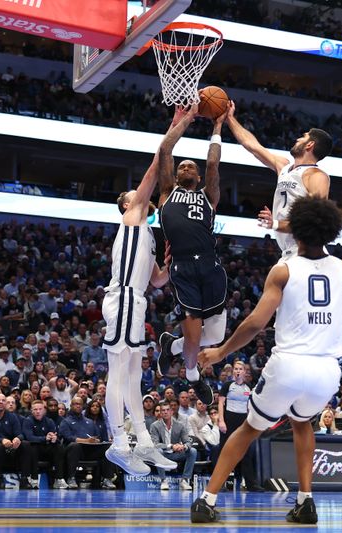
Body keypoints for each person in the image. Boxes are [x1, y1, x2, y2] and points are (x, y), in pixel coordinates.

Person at [191, 196, 342, 524]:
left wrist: (221, 351)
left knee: (248, 429)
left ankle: (207, 499)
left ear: (295, 232)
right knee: (303, 424)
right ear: (331, 232)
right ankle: (305, 501)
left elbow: (256, 323)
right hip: (327, 370)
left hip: (289, 363)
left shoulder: (283, 270)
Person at [101, 106, 191, 478]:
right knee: (119, 373)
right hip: (122, 298)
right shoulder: (133, 215)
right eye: (132, 194)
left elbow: (155, 281)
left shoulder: (148, 235)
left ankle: (144, 441)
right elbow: (155, 170)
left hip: (136, 301)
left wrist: (168, 267)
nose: (137, 194)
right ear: (126, 204)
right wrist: (175, 127)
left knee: (134, 375)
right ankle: (118, 442)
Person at [155, 106, 228, 408]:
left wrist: (218, 127)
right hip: (183, 267)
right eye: (181, 166)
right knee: (196, 340)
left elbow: (213, 164)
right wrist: (187, 118)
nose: (184, 167)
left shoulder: (209, 196)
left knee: (213, 337)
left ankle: (171, 346)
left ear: (198, 177)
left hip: (211, 267)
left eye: (190, 167)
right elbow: (165, 149)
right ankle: (193, 377)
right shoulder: (166, 193)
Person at [225, 101, 333, 260]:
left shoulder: (317, 176)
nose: (297, 139)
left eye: (303, 137)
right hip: (288, 252)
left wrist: (275, 224)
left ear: (310, 144)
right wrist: (229, 119)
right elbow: (252, 145)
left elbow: (314, 220)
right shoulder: (284, 166)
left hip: (308, 251)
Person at [217, 360, 261, 492]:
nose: (237, 371)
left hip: (243, 420)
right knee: (224, 451)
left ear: (244, 371)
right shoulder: (227, 385)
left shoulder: (248, 387)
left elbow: (249, 407)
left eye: (240, 369)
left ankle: (251, 484)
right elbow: (220, 404)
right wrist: (221, 421)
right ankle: (220, 483)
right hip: (229, 419)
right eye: (235, 369)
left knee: (246, 452)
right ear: (233, 371)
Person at [58, 396, 116, 489]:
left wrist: (96, 440)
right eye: (76, 404)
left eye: (80, 404)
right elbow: (68, 437)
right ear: (71, 405)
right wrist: (85, 441)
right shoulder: (66, 421)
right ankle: (71, 478)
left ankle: (107, 479)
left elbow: (98, 437)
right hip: (73, 451)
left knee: (108, 447)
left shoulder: (89, 422)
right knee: (75, 446)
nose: (78, 406)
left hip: (89, 450)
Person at [0, 393, 31, 489]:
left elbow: (20, 434)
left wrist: (18, 438)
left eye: (3, 400)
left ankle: (24, 478)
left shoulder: (12, 417)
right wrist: (1, 440)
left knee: (25, 444)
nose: (1, 402)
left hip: (12, 448)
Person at [149, 403, 197, 491]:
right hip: (163, 453)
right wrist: (171, 446)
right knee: (157, 451)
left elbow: (188, 442)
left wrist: (183, 446)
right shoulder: (155, 426)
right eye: (163, 410)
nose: (165, 412)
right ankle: (163, 480)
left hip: (177, 453)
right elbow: (155, 444)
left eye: (167, 410)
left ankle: (185, 480)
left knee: (193, 451)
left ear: (171, 412)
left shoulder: (180, 425)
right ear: (160, 413)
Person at [23, 399, 66, 489]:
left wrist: (54, 439)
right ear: (31, 411)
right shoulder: (28, 421)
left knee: (58, 447)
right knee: (33, 446)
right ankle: (34, 479)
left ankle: (59, 479)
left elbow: (55, 435)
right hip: (35, 451)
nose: (38, 411)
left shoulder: (49, 421)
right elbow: (29, 437)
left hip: (47, 449)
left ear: (44, 410)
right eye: (35, 409)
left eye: (40, 409)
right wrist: (44, 438)